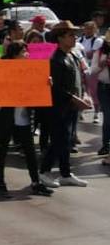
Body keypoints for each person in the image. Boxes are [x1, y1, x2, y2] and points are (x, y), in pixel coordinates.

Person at [0, 41, 55, 198]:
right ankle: (0, 184)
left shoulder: (31, 70)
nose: (26, 55)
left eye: (26, 52)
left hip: (23, 117)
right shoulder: (1, 69)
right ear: (14, 55)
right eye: (23, 52)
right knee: (2, 150)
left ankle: (35, 182)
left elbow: (38, 91)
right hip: (5, 117)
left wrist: (47, 84)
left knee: (30, 150)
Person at [42, 21, 90, 187]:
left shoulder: (73, 55)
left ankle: (65, 173)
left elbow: (79, 79)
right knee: (58, 141)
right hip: (58, 107)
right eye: (70, 35)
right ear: (60, 38)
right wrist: (74, 99)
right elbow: (56, 88)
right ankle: (44, 171)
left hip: (72, 107)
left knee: (67, 140)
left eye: (74, 35)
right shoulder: (55, 59)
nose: (74, 38)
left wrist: (85, 95)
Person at [91, 32, 110, 156]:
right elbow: (92, 71)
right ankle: (106, 145)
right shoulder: (99, 52)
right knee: (108, 117)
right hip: (104, 87)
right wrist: (101, 65)